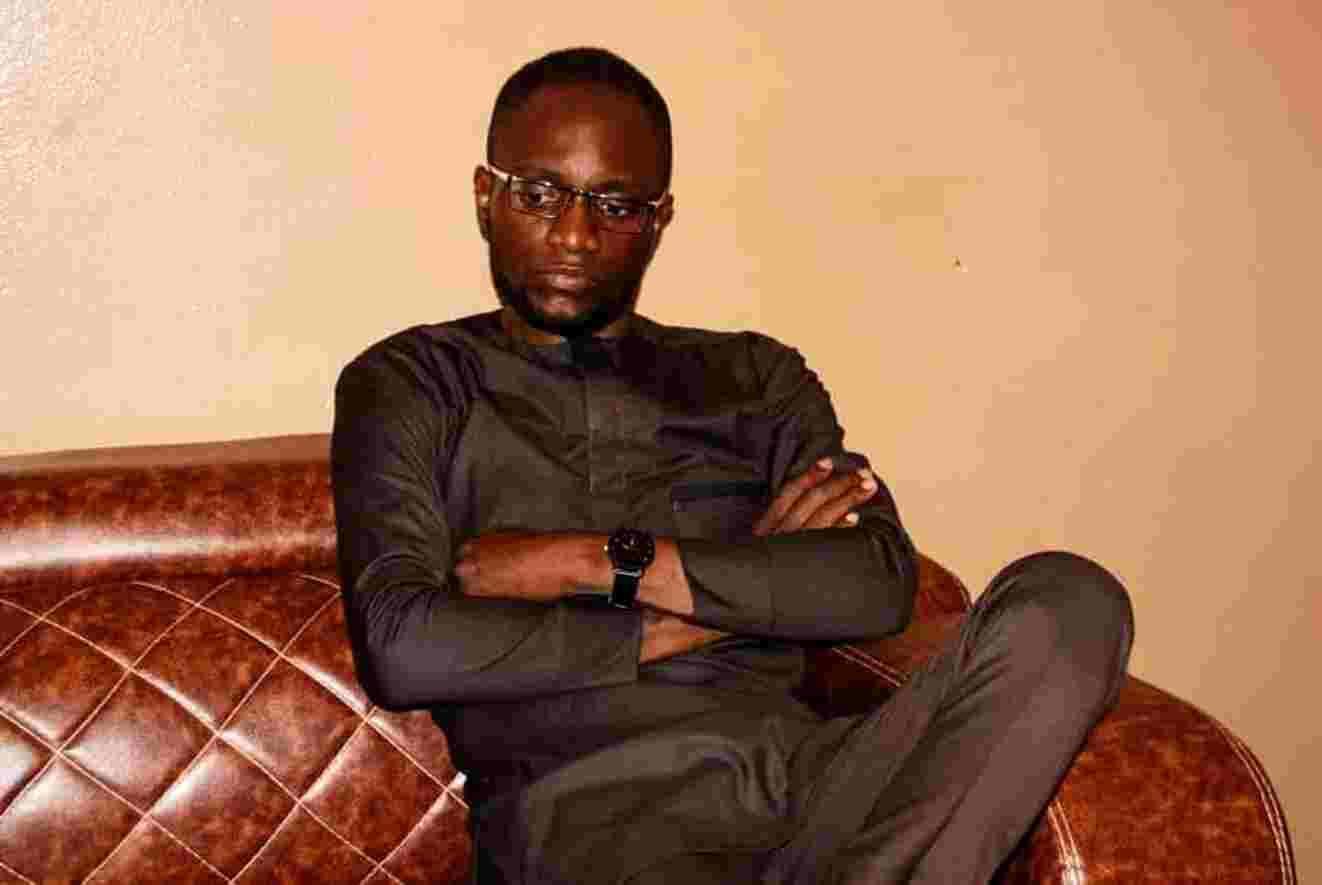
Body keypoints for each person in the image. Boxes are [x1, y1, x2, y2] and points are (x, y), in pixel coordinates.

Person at [331, 47, 1134, 885]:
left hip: (802, 786)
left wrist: (594, 562)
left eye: (616, 204)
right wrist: (730, 595)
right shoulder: (414, 381)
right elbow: (403, 645)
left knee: (1070, 602)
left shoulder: (753, 377)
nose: (575, 234)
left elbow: (875, 579)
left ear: (659, 220)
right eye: (540, 193)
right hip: (587, 822)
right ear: (485, 197)